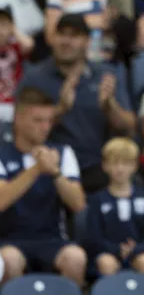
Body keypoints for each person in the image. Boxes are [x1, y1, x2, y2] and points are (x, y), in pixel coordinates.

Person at [16, 13, 136, 193]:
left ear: (87, 41)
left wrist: (110, 106)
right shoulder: (34, 77)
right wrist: (61, 109)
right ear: (52, 39)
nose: (67, 41)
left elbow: (129, 126)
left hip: (99, 167)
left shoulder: (106, 75)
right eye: (62, 34)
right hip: (51, 166)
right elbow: (21, 130)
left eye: (74, 35)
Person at [0, 87, 87, 286]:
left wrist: (55, 173)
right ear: (18, 119)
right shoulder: (3, 154)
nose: (45, 127)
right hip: (8, 239)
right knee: (8, 261)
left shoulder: (62, 153)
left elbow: (78, 204)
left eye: (49, 121)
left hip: (51, 239)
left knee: (76, 258)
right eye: (38, 120)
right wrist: (37, 169)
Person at [87, 137, 144, 275]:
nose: (120, 169)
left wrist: (136, 249)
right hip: (108, 253)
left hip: (138, 252)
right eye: (114, 163)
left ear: (135, 166)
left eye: (126, 163)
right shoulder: (98, 200)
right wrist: (117, 249)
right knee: (106, 263)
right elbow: (94, 237)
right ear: (105, 165)